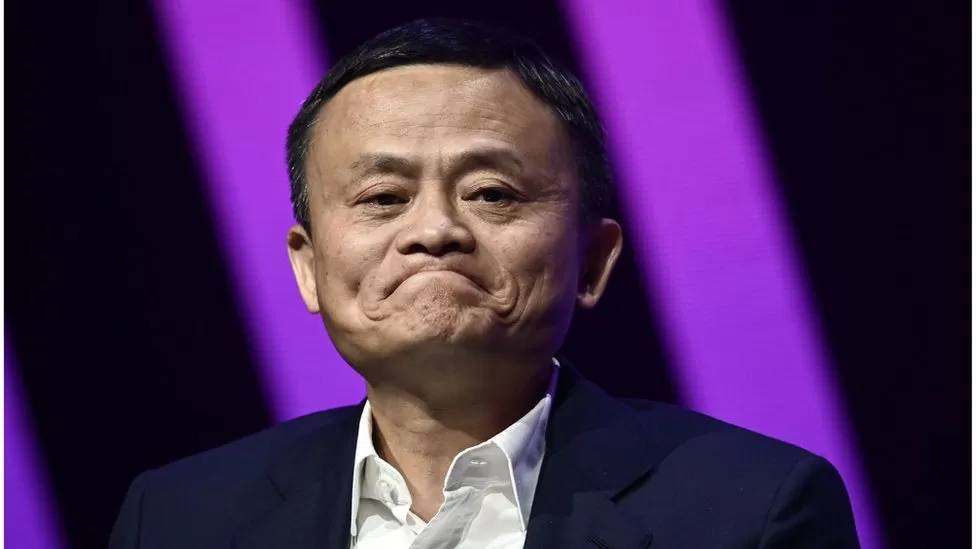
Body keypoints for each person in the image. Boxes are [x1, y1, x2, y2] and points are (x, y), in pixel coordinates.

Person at [109, 18, 860, 549]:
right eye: (383, 198)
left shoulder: (752, 511)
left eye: (492, 193)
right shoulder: (177, 518)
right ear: (308, 266)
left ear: (594, 260)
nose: (435, 229)